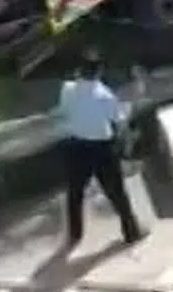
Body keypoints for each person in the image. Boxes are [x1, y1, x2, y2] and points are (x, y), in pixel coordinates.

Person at [56, 48, 147, 247]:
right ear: (99, 72)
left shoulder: (67, 89)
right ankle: (131, 231)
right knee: (116, 192)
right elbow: (119, 119)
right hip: (101, 149)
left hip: (75, 146)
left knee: (75, 192)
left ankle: (75, 234)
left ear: (79, 70)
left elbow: (64, 112)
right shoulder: (104, 95)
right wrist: (132, 101)